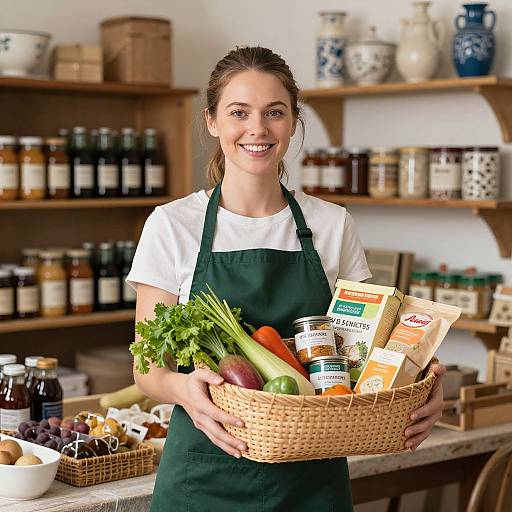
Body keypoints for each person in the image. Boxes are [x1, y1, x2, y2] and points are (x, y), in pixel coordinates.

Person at [127, 46, 446, 512]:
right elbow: (147, 367)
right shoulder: (172, 225)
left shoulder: (332, 224)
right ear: (212, 121)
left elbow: (370, 347)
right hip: (205, 470)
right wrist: (183, 391)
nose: (257, 129)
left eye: (274, 112)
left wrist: (423, 384)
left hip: (312, 479)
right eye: (239, 112)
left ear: (294, 122)